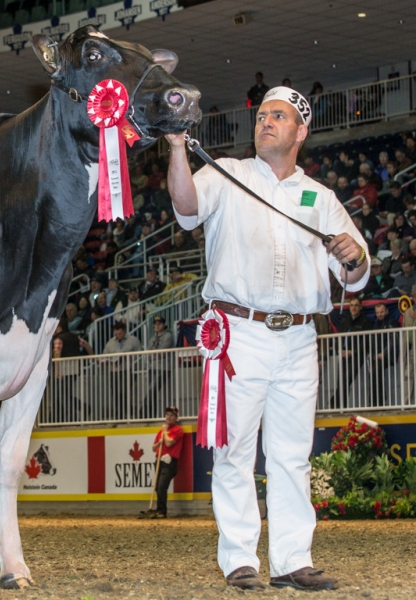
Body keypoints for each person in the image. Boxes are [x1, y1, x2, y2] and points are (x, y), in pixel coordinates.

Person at [166, 86, 368, 591]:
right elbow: (186, 208)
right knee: (234, 451)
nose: (266, 122)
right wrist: (176, 148)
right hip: (238, 334)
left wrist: (354, 255)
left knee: (292, 454)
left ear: (301, 132)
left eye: (278, 116)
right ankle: (239, 559)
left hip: (299, 337)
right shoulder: (227, 173)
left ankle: (292, 560)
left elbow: (356, 273)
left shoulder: (321, 198)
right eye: (261, 116)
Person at [147, 407, 184, 519]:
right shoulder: (160, 431)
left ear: (176, 418)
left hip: (169, 462)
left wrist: (165, 432)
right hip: (159, 460)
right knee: (157, 487)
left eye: (172, 415)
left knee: (162, 486)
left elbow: (168, 443)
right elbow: (153, 448)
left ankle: (162, 511)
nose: (169, 417)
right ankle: (159, 509)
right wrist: (159, 442)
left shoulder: (177, 430)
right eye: (167, 415)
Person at [101, 321, 141, 419]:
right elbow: (103, 356)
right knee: (115, 392)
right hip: (113, 370)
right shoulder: (110, 342)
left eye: (120, 333)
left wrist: (130, 357)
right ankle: (120, 413)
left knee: (125, 391)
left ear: (124, 331)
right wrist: (107, 361)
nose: (118, 335)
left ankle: (127, 412)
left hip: (127, 369)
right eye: (116, 333)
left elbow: (140, 354)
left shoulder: (133, 340)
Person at [369, 302, 398, 407]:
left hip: (389, 355)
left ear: (387, 311)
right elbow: (373, 342)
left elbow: (393, 340)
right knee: (372, 371)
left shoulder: (391, 322)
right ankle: (374, 401)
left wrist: (383, 353)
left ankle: (380, 402)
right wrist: (374, 355)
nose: (379, 314)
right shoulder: (376, 324)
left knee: (376, 369)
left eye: (381, 312)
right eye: (377, 313)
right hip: (377, 356)